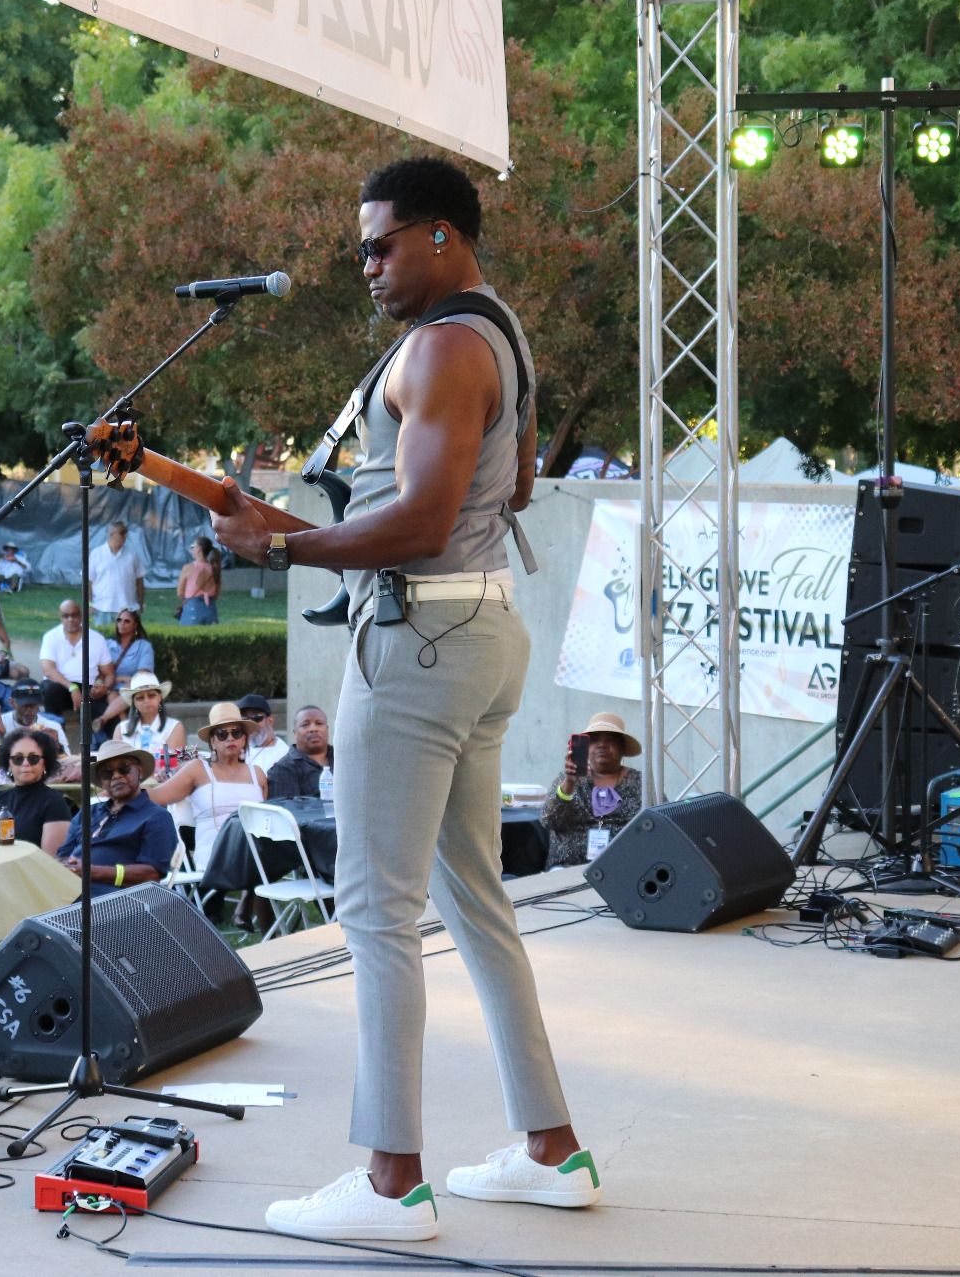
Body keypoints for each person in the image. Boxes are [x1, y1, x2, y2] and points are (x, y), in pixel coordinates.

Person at [214, 158, 593, 1239]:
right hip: (481, 631)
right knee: (475, 899)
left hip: (420, 638)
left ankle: (391, 1184)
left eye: (379, 245)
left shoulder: (438, 347)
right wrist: (293, 530)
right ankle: (552, 1151)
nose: (366, 266)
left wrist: (279, 547)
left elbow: (422, 522)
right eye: (360, 251)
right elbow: (508, 487)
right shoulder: (498, 334)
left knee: (375, 909)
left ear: (439, 235)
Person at [148, 703, 267, 915]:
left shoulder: (257, 773)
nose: (230, 738)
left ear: (244, 739)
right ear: (212, 741)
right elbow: (158, 796)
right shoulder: (198, 769)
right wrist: (125, 790)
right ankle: (248, 899)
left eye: (236, 733)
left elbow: (268, 819)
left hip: (254, 853)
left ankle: (252, 903)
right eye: (222, 734)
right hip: (215, 855)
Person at [57, 738, 175, 896]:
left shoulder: (156, 817)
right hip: (70, 891)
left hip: (119, 899)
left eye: (124, 768)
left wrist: (92, 872)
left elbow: (151, 874)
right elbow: (63, 855)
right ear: (101, 781)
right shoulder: (88, 812)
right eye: (107, 772)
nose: (116, 776)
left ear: (139, 771)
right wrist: (68, 866)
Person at [542, 712, 643, 869]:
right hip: (567, 868)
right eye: (595, 740)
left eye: (610, 740)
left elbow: (661, 824)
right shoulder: (567, 778)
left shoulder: (641, 782)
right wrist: (569, 783)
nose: (602, 745)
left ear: (622, 748)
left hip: (623, 867)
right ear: (586, 747)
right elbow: (549, 821)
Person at [0, 729, 72, 855]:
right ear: (9, 763)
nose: (26, 763)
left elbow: (51, 860)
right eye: (18, 758)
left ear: (44, 763)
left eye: (33, 758)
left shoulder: (55, 802)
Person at [37, 600, 113, 725]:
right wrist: (72, 687)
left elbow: (109, 673)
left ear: (81, 615)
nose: (70, 619)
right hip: (60, 686)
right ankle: (54, 729)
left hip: (87, 687)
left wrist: (102, 686)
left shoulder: (97, 639)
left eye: (74, 615)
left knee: (105, 716)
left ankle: (98, 735)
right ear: (60, 617)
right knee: (50, 689)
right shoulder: (51, 636)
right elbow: (48, 670)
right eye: (66, 616)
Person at [88, 609, 158, 740]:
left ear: (135, 625)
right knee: (110, 693)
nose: (122, 624)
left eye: (127, 621)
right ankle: (125, 725)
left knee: (126, 690)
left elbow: (143, 674)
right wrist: (117, 679)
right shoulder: (108, 644)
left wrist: (125, 680)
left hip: (133, 686)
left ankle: (103, 719)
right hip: (112, 686)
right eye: (119, 620)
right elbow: (100, 671)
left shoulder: (143, 646)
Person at [108, 671, 185, 771]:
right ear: (134, 702)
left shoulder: (174, 727)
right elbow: (116, 765)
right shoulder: (121, 729)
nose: (146, 700)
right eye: (140, 698)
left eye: (151, 695)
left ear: (160, 697)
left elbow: (173, 767)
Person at [267, 705, 334, 801]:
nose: (313, 729)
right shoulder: (282, 770)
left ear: (327, 729)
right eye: (305, 725)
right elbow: (287, 808)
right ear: (295, 732)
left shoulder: (344, 761)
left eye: (319, 723)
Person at [88, 520, 144, 627]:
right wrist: (89, 603)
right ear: (111, 534)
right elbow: (88, 581)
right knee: (103, 637)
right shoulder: (96, 554)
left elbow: (139, 580)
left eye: (126, 532)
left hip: (128, 608)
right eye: (122, 533)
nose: (125, 536)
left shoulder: (132, 555)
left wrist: (140, 602)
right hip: (102, 608)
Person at [0, 681, 66, 754]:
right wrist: (1, 735)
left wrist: (55, 744)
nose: (29, 710)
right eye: (25, 705)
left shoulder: (52, 726)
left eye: (33, 705)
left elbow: (68, 759)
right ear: (12, 702)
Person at [237, 692, 290, 774]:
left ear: (270, 721)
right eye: (244, 719)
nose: (251, 723)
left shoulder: (283, 755)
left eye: (256, 718)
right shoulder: (238, 750)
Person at [176, 535, 221, 625]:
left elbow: (180, 593)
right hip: (210, 609)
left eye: (193, 547)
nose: (191, 549)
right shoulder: (215, 568)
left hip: (192, 609)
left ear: (199, 549)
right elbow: (216, 594)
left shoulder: (188, 568)